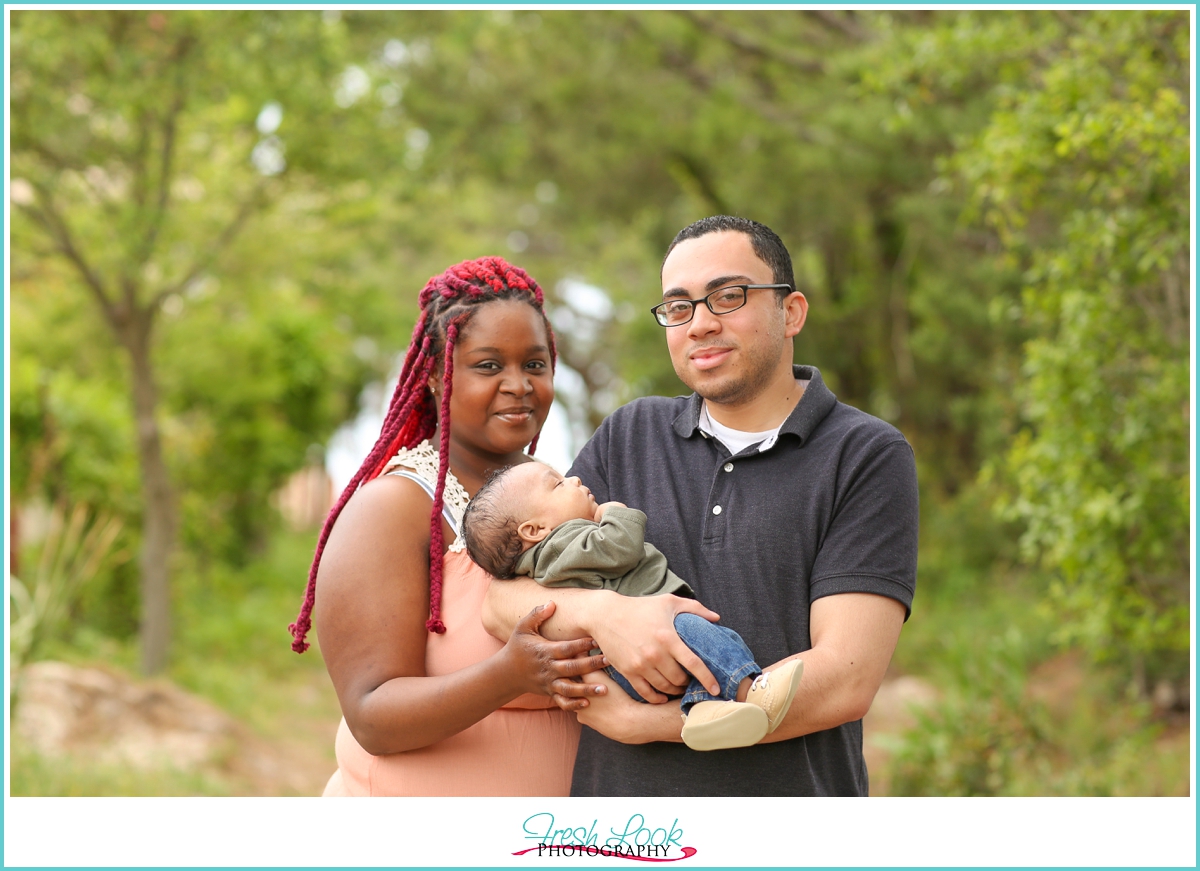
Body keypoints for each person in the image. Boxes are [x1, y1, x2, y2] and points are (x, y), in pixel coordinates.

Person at [483, 216, 918, 796]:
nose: (701, 323)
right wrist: (607, 616)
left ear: (791, 312)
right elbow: (504, 597)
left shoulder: (865, 454)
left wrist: (652, 724)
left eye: (728, 296)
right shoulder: (629, 433)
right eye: (679, 306)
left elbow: (845, 680)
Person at [286, 256, 619, 796]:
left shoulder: (551, 490)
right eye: (489, 366)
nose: (519, 385)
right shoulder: (393, 507)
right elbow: (372, 714)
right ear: (438, 377)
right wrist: (507, 675)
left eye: (535, 365)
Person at [460, 461, 805, 752]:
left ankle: (702, 710)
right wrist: (615, 513)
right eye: (559, 484)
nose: (576, 479)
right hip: (649, 638)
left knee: (710, 642)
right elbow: (619, 547)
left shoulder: (550, 557)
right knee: (704, 637)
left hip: (626, 665)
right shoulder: (562, 544)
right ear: (535, 530)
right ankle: (753, 691)